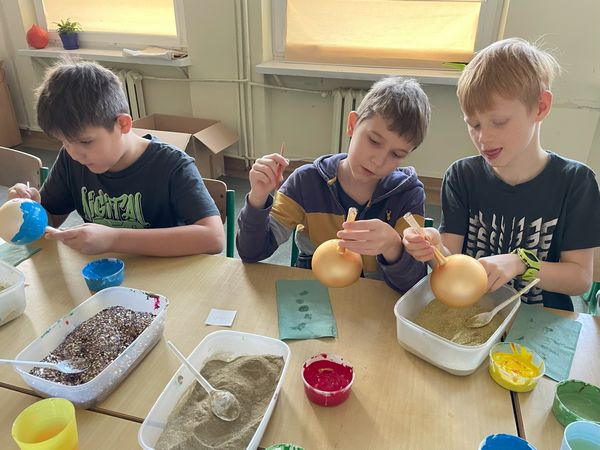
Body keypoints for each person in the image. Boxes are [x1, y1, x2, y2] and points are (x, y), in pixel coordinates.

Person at [403, 38, 600, 310]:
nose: (484, 138)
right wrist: (433, 249)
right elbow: (448, 260)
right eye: (474, 125)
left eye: (499, 122)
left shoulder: (576, 183)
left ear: (541, 107)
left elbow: (579, 279)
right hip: (475, 313)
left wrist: (521, 263)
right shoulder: (461, 177)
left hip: (543, 319)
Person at [7, 58, 224, 256]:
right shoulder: (70, 160)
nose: (75, 153)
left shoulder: (172, 165)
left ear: (123, 124)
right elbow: (52, 218)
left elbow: (213, 238)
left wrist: (114, 239)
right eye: (64, 142)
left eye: (85, 142)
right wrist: (30, 213)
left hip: (166, 274)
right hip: (105, 272)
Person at [237, 76, 431, 292]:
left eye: (396, 154)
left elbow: (412, 284)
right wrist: (258, 198)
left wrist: (393, 246)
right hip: (313, 292)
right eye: (374, 141)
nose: (378, 161)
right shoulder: (307, 182)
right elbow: (251, 252)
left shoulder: (407, 195)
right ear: (352, 125)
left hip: (373, 296)